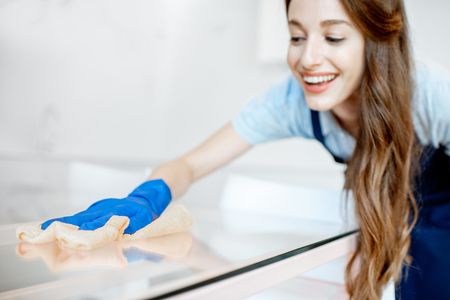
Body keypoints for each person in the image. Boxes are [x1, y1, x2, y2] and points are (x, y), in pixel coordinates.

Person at [42, 0, 450, 299]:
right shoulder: (292, 102)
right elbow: (190, 164)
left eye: (333, 36)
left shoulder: (431, 96)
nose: (308, 58)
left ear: (377, 39)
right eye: (295, 35)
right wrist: (146, 198)